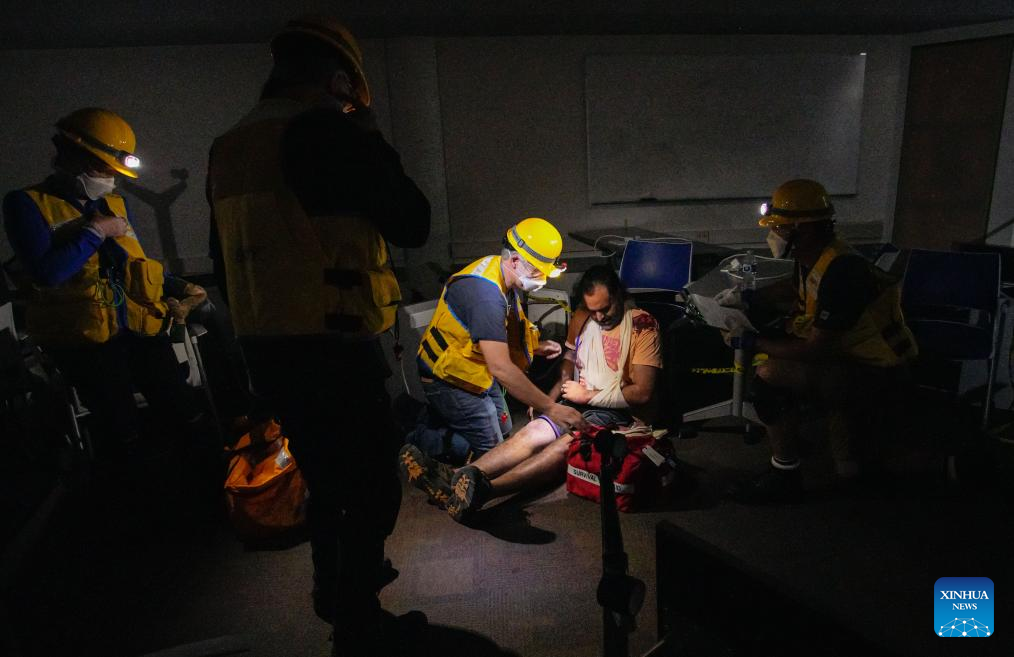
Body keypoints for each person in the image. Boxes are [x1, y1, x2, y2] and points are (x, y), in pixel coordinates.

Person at [205, 15, 430, 655]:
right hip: (330, 342)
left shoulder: (230, 145)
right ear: (339, 80)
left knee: (328, 478)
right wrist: (372, 132)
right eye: (349, 93)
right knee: (370, 487)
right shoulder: (324, 131)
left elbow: (220, 257)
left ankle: (336, 594)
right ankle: (356, 624)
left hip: (267, 344)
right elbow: (412, 219)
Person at [2, 107, 201, 464]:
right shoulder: (25, 204)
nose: (109, 177)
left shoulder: (114, 202)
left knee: (178, 403)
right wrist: (96, 232)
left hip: (134, 325)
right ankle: (131, 495)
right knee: (121, 425)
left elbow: (129, 261)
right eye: (101, 167)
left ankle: (199, 478)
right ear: (69, 155)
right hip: (82, 338)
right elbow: (47, 274)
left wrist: (174, 287)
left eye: (113, 170)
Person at [401, 264, 662, 523]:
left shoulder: (642, 325)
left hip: (618, 413)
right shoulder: (584, 316)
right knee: (533, 431)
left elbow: (642, 393)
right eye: (593, 311)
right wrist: (550, 399)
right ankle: (456, 477)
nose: (600, 317)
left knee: (566, 446)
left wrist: (588, 396)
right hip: (579, 399)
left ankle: (486, 491)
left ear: (619, 295)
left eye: (606, 309)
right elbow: (570, 359)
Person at [727, 179, 917, 503]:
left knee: (769, 375)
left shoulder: (843, 271)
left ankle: (784, 473)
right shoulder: (816, 255)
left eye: (782, 228)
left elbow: (816, 349)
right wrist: (749, 297)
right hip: (854, 360)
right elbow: (796, 287)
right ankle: (820, 444)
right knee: (850, 472)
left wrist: (753, 343)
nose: (775, 235)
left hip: (877, 373)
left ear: (806, 228)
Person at [403, 217, 587, 465]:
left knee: (505, 427)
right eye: (537, 271)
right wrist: (551, 407)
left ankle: (436, 417)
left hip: (475, 368)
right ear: (514, 260)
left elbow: (508, 329)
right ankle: (422, 435)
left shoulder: (500, 270)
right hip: (449, 378)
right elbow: (501, 367)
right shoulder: (486, 296)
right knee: (493, 451)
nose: (541, 278)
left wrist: (536, 346)